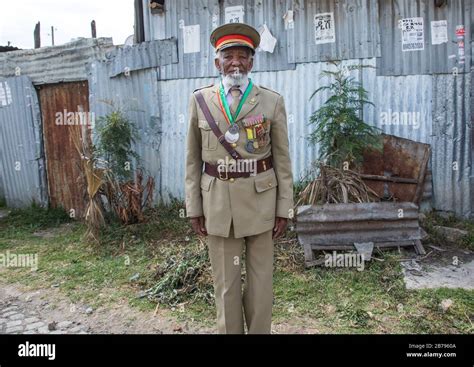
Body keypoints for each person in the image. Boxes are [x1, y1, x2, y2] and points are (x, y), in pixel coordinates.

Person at [185, 23, 293, 334]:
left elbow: (282, 160)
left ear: (252, 62)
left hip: (261, 203)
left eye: (242, 56)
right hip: (216, 204)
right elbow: (192, 159)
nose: (235, 62)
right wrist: (194, 207)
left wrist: (284, 208)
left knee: (261, 286)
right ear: (216, 62)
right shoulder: (200, 100)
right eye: (228, 56)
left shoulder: (271, 102)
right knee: (226, 287)